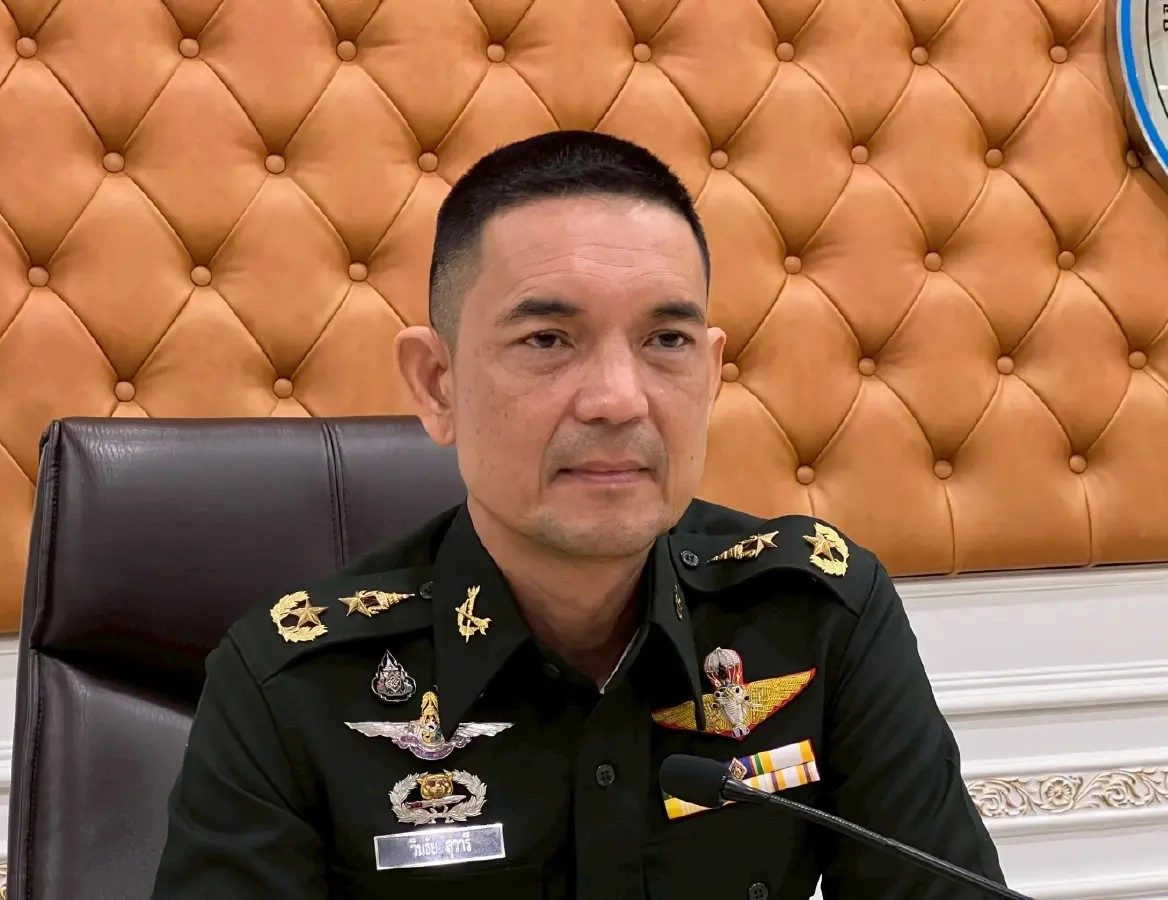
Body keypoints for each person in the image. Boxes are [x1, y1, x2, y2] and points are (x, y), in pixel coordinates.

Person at [151, 130, 1005, 899]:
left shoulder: (816, 615)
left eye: (666, 341)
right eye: (547, 340)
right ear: (438, 385)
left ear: (711, 375)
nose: (617, 399)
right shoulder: (288, 686)